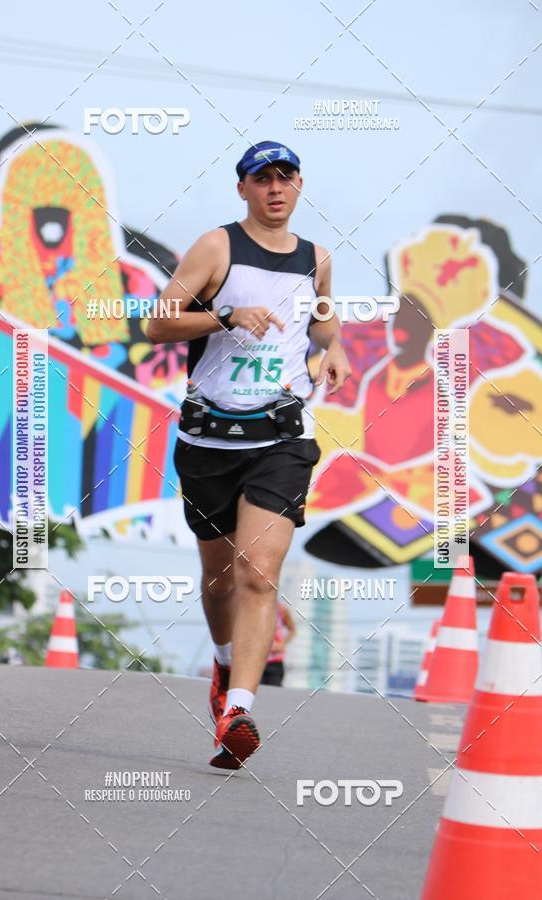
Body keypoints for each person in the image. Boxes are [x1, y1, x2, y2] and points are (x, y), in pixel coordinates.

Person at [147, 140, 350, 769]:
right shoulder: (217, 247)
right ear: (243, 189)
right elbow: (158, 322)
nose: (275, 189)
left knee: (258, 571)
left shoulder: (317, 258)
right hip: (209, 437)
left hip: (282, 435)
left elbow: (319, 320)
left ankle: (239, 710)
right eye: (261, 179)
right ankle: (226, 665)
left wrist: (333, 346)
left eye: (285, 178)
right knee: (218, 580)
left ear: (298, 185)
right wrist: (225, 316)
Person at [260, 600, 296, 686]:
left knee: (273, 692)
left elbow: (292, 630)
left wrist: (282, 644)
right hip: (256, 661)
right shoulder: (253, 609)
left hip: (274, 662)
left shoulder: (281, 609)